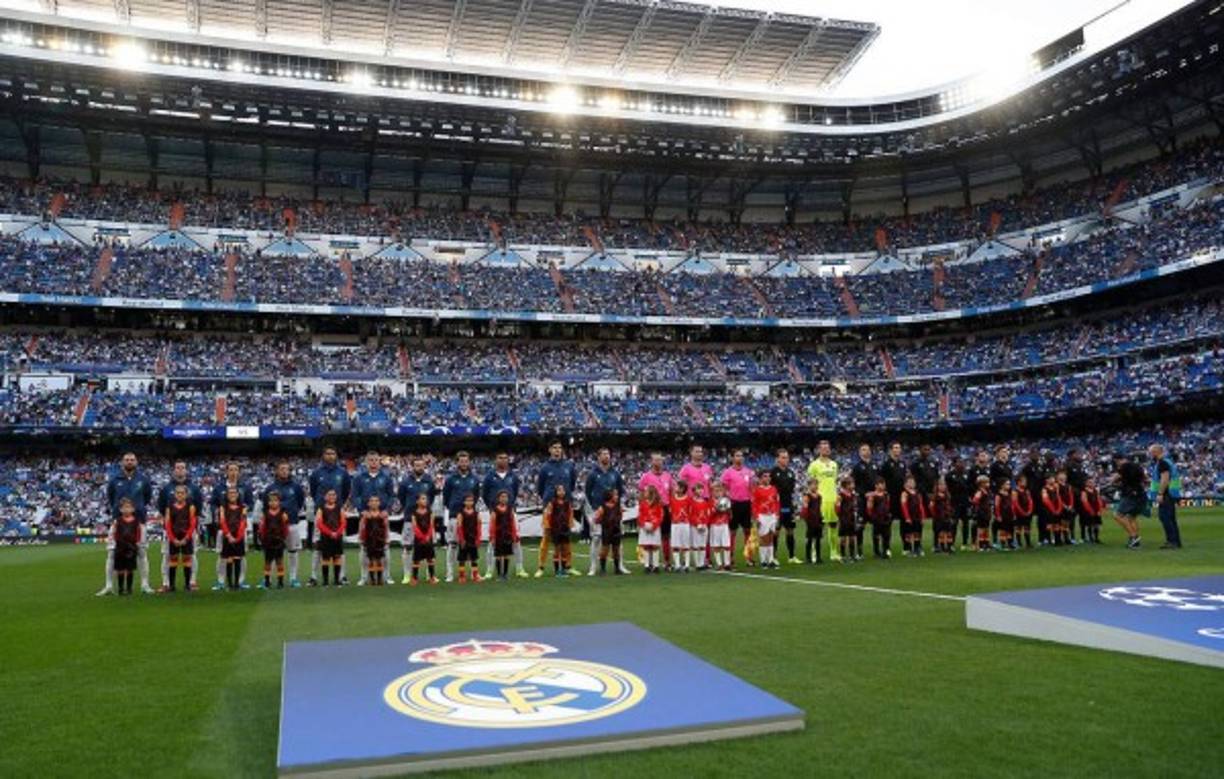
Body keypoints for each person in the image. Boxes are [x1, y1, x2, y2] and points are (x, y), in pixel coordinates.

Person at [98, 452, 154, 596]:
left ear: (136, 462)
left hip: (139, 522)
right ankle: (109, 586)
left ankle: (145, 584)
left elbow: (147, 497)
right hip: (119, 522)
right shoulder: (114, 479)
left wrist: (138, 509)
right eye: (127, 460)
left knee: (142, 553)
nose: (129, 462)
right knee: (112, 554)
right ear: (122, 462)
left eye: (132, 460)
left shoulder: (143, 479)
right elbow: (111, 498)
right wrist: (119, 511)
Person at [156, 461, 204, 592]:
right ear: (174, 470)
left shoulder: (194, 488)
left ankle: (192, 582)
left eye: (182, 468)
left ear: (186, 470)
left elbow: (198, 507)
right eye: (177, 468)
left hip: (189, 529)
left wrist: (192, 528)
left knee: (191, 555)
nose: (180, 470)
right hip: (171, 529)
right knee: (167, 556)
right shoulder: (166, 488)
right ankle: (166, 583)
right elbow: (162, 507)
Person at [308, 447, 352, 586]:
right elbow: (313, 490)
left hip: (337, 513)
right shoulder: (316, 473)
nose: (330, 455)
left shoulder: (342, 472)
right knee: (317, 546)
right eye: (327, 453)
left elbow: (346, 492)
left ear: (336, 455)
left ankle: (341, 576)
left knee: (339, 547)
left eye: (333, 453)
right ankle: (314, 577)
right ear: (323, 455)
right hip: (321, 513)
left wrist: (341, 506)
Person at [352, 451, 396, 585]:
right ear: (366, 462)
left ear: (379, 462)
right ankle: (364, 576)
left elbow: (391, 496)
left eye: (376, 460)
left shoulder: (386, 477)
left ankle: (386, 576)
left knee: (385, 546)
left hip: (381, 516)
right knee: (364, 548)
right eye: (370, 460)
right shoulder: (359, 478)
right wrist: (362, 510)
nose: (373, 463)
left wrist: (386, 510)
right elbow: (356, 496)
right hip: (366, 516)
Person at [210, 462, 254, 591]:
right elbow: (212, 503)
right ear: (226, 472)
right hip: (224, 528)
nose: (233, 472)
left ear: (239, 472)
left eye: (236, 470)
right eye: (231, 470)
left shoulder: (245, 487)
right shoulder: (219, 488)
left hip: (239, 527)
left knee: (241, 555)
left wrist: (246, 509)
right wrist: (217, 510)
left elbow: (250, 502)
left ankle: (240, 581)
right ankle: (221, 581)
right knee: (222, 555)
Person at [482, 451, 526, 578]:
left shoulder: (513, 476)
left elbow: (515, 492)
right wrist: (492, 508)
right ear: (496, 460)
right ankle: (490, 570)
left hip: (510, 512)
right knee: (492, 542)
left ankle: (519, 568)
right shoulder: (490, 476)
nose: (503, 460)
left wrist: (510, 506)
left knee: (516, 540)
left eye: (506, 458)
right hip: (495, 513)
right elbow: (485, 494)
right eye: (500, 458)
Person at [537, 441, 577, 577]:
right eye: (554, 448)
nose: (557, 450)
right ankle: (541, 567)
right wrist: (549, 500)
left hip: (565, 506)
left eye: (560, 447)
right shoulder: (544, 467)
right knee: (547, 535)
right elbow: (540, 488)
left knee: (566, 538)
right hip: (550, 506)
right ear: (549, 450)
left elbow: (572, 484)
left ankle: (568, 565)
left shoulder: (569, 466)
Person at [263, 461, 306, 587]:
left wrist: (290, 513)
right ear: (276, 471)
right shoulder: (270, 488)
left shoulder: (296, 487)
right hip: (274, 528)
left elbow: (300, 502)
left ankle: (293, 578)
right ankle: (268, 579)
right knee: (272, 554)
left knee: (292, 551)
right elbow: (266, 505)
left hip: (291, 523)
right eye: (281, 469)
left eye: (286, 469)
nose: (284, 471)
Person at [584, 447, 625, 576]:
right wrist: (594, 508)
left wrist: (616, 508)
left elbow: (620, 490)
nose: (606, 456)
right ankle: (593, 567)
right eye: (603, 454)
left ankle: (620, 566)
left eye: (608, 454)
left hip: (613, 512)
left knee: (617, 539)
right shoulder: (592, 474)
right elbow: (587, 492)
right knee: (596, 539)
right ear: (599, 457)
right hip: (598, 510)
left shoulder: (615, 473)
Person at [397, 456, 436, 584]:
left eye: (421, 465)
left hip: (425, 518)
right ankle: (407, 575)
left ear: (425, 466)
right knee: (407, 547)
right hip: (410, 518)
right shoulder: (405, 481)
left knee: (427, 547)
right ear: (412, 466)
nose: (419, 467)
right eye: (417, 465)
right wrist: (409, 508)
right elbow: (401, 497)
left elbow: (431, 497)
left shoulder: (429, 481)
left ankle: (428, 575)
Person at [442, 452, 480, 582]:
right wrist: (454, 509)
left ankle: (473, 573)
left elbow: (476, 496)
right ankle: (450, 574)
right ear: (457, 462)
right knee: (452, 545)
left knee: (469, 545)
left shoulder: (474, 479)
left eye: (466, 461)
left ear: (469, 462)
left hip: (470, 517)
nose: (464, 463)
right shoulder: (451, 479)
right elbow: (446, 497)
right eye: (461, 461)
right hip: (454, 515)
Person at [806, 441, 840, 562]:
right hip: (820, 500)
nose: (825, 450)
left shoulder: (834, 464)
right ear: (819, 450)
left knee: (833, 526)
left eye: (827, 448)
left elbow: (834, 481)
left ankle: (834, 552)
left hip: (833, 499)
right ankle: (815, 553)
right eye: (823, 448)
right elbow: (810, 482)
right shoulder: (814, 465)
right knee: (817, 528)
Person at [639, 453, 674, 567]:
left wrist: (671, 507)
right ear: (652, 462)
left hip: (664, 507)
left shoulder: (668, 476)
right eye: (656, 460)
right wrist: (643, 508)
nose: (658, 462)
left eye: (660, 460)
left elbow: (671, 493)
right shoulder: (646, 477)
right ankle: (649, 562)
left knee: (666, 535)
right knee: (650, 535)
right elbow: (641, 494)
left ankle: (667, 560)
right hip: (651, 509)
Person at [162, 484, 197, 593]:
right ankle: (172, 585)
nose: (180, 495)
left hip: (186, 536)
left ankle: (187, 585)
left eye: (182, 493)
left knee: (187, 560)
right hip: (174, 537)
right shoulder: (170, 507)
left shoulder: (191, 507)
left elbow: (193, 523)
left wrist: (187, 537)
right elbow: (167, 524)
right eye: (178, 493)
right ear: (175, 495)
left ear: (186, 495)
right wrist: (172, 538)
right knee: (173, 560)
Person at [1148, 444, 1183, 549]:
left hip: (1167, 494)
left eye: (1151, 452)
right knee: (1171, 518)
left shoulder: (1162, 463)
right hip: (1172, 493)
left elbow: (1165, 479)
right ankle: (1176, 541)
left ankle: (1171, 541)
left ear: (1156, 452)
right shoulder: (1168, 461)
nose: (1150, 455)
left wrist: (1160, 493)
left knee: (1165, 517)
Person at [1112, 452, 1148, 549]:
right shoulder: (1137, 466)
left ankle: (1133, 537)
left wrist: (1115, 482)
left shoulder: (1123, 467)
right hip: (1140, 493)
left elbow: (1114, 479)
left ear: (1116, 460)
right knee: (1132, 517)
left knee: (1117, 515)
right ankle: (1135, 541)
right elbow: (1146, 479)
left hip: (1130, 494)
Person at [770, 449, 799, 564]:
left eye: (786, 457)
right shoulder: (773, 472)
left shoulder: (791, 472)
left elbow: (791, 489)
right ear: (777, 459)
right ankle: (773, 556)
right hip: (777, 505)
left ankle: (792, 556)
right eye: (782, 457)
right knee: (776, 530)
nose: (785, 460)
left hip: (788, 504)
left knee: (790, 530)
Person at [879, 442, 907, 561]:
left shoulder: (902, 464)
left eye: (899, 448)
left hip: (901, 497)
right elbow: (881, 481)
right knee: (887, 524)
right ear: (891, 450)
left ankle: (906, 547)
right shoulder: (886, 465)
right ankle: (886, 548)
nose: (897, 450)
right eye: (895, 448)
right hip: (890, 497)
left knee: (904, 522)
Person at [849, 444, 877, 562]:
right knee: (861, 525)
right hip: (862, 499)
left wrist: (876, 492)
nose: (866, 452)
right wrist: (863, 494)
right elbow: (853, 484)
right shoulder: (857, 467)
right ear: (859, 452)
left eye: (868, 449)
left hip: (875, 498)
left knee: (877, 524)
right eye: (863, 450)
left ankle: (877, 550)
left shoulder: (874, 465)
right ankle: (859, 551)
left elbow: (878, 482)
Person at [111, 498, 143, 596]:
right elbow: (115, 534)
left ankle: (129, 588)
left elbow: (138, 533)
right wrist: (119, 543)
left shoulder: (136, 521)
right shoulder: (118, 521)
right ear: (120, 509)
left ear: (133, 509)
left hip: (132, 547)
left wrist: (136, 543)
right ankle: (121, 588)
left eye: (128, 507)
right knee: (120, 569)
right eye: (124, 507)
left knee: (130, 568)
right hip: (120, 547)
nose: (126, 509)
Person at [218, 487, 247, 591]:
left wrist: (238, 536)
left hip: (238, 536)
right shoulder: (223, 508)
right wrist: (228, 535)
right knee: (229, 560)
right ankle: (229, 583)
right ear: (226, 495)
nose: (232, 495)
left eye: (234, 493)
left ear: (238, 495)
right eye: (230, 493)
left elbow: (243, 522)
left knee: (238, 559)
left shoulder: (243, 507)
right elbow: (222, 521)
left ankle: (237, 583)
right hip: (228, 536)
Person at [314, 488, 346, 586]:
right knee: (325, 558)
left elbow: (343, 522)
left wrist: (337, 532)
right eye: (329, 495)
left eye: (333, 495)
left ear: (336, 497)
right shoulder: (321, 509)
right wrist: (329, 533)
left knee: (337, 557)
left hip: (337, 536)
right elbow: (319, 524)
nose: (331, 497)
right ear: (325, 497)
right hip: (325, 537)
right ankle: (325, 581)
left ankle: (337, 580)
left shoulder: (339, 508)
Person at [260, 491, 290, 589]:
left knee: (279, 562)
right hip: (268, 541)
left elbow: (286, 528)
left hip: (279, 540)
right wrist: (262, 538)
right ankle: (267, 580)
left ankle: (280, 581)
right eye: (271, 501)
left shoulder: (283, 514)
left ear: (279, 502)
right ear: (268, 503)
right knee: (267, 562)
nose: (273, 503)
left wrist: (283, 537)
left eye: (275, 501)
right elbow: (262, 528)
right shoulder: (265, 514)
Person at [544, 485, 576, 577]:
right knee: (557, 550)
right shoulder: (552, 503)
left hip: (565, 529)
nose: (561, 492)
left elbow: (570, 515)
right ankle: (557, 571)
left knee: (565, 549)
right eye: (559, 490)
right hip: (556, 529)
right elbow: (548, 516)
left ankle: (564, 569)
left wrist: (570, 526)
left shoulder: (567, 503)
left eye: (563, 490)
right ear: (556, 492)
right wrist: (548, 527)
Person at [752, 469, 780, 569]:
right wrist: (756, 517)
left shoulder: (773, 488)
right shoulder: (757, 490)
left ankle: (771, 560)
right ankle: (763, 561)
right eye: (765, 476)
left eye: (768, 476)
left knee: (771, 538)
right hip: (762, 516)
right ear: (760, 478)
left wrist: (777, 515)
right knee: (764, 539)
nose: (767, 478)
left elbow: (776, 502)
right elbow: (754, 504)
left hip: (772, 515)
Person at [593, 488, 626, 575]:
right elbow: (596, 519)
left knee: (616, 550)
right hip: (607, 531)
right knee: (605, 550)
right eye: (615, 495)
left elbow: (620, 516)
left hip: (616, 530)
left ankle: (617, 568)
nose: (617, 496)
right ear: (609, 496)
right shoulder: (602, 507)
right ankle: (603, 569)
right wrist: (601, 520)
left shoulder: (618, 506)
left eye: (617, 495)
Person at [945, 455, 973, 551]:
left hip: (965, 501)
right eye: (959, 462)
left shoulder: (967, 474)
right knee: (954, 523)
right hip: (954, 501)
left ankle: (965, 543)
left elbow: (970, 487)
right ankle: (951, 542)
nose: (962, 464)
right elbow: (947, 489)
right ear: (954, 464)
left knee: (965, 523)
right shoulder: (949, 475)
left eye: (963, 462)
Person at [359, 495, 389, 586]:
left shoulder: (383, 515)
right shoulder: (365, 515)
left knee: (380, 560)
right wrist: (361, 538)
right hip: (369, 539)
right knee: (371, 560)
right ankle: (371, 579)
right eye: (372, 501)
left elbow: (386, 527)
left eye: (376, 501)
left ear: (379, 503)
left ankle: (380, 579)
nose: (374, 503)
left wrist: (387, 538)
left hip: (380, 539)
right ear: (368, 503)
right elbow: (362, 527)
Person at [489, 490, 518, 581]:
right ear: (498, 498)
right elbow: (492, 524)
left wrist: (514, 535)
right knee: (498, 555)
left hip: (507, 535)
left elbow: (512, 523)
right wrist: (492, 537)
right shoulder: (495, 510)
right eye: (502, 497)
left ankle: (505, 574)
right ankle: (499, 574)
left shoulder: (510, 509)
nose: (504, 498)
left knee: (506, 555)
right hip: (498, 535)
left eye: (506, 497)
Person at [409, 493, 438, 584]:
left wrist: (428, 536)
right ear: (417, 501)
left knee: (430, 558)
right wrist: (421, 537)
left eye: (425, 499)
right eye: (422, 499)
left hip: (428, 538)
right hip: (418, 539)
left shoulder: (430, 512)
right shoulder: (414, 513)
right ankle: (414, 578)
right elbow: (415, 526)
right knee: (416, 559)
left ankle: (432, 577)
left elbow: (431, 525)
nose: (425, 501)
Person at [455, 493, 482, 583]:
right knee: (462, 559)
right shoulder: (461, 514)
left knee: (474, 558)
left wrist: (478, 539)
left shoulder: (476, 514)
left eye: (471, 501)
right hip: (464, 539)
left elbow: (479, 527)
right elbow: (459, 527)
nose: (469, 502)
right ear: (464, 502)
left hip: (473, 538)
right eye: (467, 501)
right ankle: (462, 576)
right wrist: (461, 539)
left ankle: (475, 575)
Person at [638, 484, 664, 574]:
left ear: (651, 493)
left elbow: (660, 515)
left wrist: (655, 525)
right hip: (645, 526)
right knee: (646, 546)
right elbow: (640, 515)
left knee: (655, 546)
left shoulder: (658, 504)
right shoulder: (643, 503)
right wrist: (643, 525)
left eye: (646, 492)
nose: (644, 493)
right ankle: (647, 565)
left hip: (654, 526)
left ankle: (656, 566)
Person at [899, 475, 926, 557]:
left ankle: (917, 547)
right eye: (909, 482)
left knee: (917, 532)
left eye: (913, 482)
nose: (911, 484)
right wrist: (907, 517)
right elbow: (904, 505)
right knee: (909, 533)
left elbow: (921, 505)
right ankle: (909, 548)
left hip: (917, 515)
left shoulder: (917, 493)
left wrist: (923, 516)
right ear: (905, 484)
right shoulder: (904, 493)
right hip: (909, 516)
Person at [709, 482, 732, 571]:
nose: (718, 492)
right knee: (716, 545)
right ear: (712, 492)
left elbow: (730, 514)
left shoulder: (726, 500)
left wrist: (727, 510)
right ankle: (719, 564)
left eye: (719, 491)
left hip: (724, 525)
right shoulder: (710, 501)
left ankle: (727, 564)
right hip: (715, 525)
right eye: (716, 491)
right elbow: (709, 514)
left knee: (726, 545)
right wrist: (716, 510)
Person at [865, 477, 891, 559]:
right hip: (877, 518)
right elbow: (869, 507)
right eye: (881, 484)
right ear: (876, 485)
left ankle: (886, 551)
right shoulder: (872, 496)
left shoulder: (886, 494)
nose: (883, 486)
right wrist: (871, 516)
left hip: (885, 517)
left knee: (886, 535)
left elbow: (888, 505)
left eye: (884, 484)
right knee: (876, 535)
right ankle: (876, 551)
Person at [834, 477, 859, 563]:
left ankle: (852, 555)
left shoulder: (853, 495)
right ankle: (843, 556)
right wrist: (841, 516)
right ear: (846, 485)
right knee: (843, 538)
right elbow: (837, 507)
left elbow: (855, 506)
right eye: (851, 484)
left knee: (852, 537)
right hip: (844, 518)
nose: (853, 485)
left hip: (851, 518)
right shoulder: (840, 495)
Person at [670, 481, 692, 572]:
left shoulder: (688, 499)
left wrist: (686, 519)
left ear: (682, 489)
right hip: (675, 524)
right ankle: (677, 565)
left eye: (677, 487)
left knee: (685, 545)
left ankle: (687, 565)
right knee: (675, 545)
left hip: (685, 524)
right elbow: (670, 510)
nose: (675, 488)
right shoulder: (672, 499)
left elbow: (691, 511)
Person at [689, 482, 711, 571]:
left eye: (701, 488)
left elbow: (708, 514)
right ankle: (697, 563)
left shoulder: (705, 502)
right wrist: (697, 523)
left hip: (704, 526)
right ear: (694, 490)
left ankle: (702, 563)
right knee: (695, 544)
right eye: (698, 488)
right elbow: (691, 514)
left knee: (702, 544)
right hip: (695, 526)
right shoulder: (692, 502)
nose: (700, 490)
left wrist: (705, 523)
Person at [800, 480, 824, 564]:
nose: (815, 486)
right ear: (809, 486)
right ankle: (808, 557)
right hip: (810, 519)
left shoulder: (819, 496)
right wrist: (806, 517)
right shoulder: (807, 496)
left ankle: (818, 557)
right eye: (813, 485)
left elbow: (819, 508)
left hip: (818, 518)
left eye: (816, 484)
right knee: (809, 538)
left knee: (818, 539)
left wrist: (821, 517)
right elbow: (805, 508)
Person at [1039, 474, 1063, 548]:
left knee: (1057, 524)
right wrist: (1052, 509)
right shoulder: (1044, 489)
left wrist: (1059, 507)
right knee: (1049, 525)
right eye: (1051, 479)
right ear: (1047, 480)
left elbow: (1059, 497)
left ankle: (1057, 539)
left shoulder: (1056, 488)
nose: (1053, 480)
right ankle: (1048, 539)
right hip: (1048, 509)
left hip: (1057, 508)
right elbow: (1045, 500)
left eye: (1053, 479)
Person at [1079, 477, 1106, 545]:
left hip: (1096, 510)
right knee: (1090, 525)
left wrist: (1100, 509)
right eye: (1090, 482)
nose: (1092, 483)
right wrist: (1090, 510)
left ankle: (1096, 538)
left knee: (1096, 524)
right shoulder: (1084, 491)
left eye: (1093, 482)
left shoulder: (1095, 491)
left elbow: (1099, 500)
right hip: (1089, 511)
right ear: (1086, 483)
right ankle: (1090, 538)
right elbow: (1084, 502)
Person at [930, 479, 953, 554]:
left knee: (948, 531)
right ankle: (940, 546)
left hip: (947, 516)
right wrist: (934, 514)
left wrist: (950, 512)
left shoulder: (947, 495)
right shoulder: (935, 496)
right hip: (938, 516)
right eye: (940, 485)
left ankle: (949, 546)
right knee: (940, 532)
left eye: (943, 485)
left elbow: (949, 505)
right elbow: (931, 506)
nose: (942, 487)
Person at [1012, 474, 1035, 549]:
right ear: (1018, 482)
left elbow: (1030, 500)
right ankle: (1019, 542)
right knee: (1018, 527)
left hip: (1027, 511)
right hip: (1019, 512)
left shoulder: (1027, 491)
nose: (1025, 483)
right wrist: (1021, 511)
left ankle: (1028, 542)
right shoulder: (1015, 491)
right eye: (1023, 481)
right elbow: (1015, 503)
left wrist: (1029, 510)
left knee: (1027, 527)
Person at [970, 475, 993, 552]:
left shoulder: (988, 491)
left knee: (986, 528)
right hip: (981, 512)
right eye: (986, 482)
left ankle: (986, 542)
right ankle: (981, 543)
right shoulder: (980, 492)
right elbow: (975, 500)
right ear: (981, 483)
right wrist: (978, 508)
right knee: (981, 528)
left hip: (987, 512)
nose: (988, 484)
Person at [1055, 470, 1075, 547]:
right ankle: (1058, 539)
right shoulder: (1057, 485)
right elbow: (1057, 496)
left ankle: (1066, 538)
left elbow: (1071, 496)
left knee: (1067, 523)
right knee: (1060, 523)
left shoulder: (1068, 486)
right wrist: (1063, 505)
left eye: (1064, 475)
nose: (1063, 477)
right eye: (1061, 475)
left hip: (1068, 506)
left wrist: (1070, 505)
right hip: (1061, 506)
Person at [994, 481, 1015, 552]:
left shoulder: (1009, 494)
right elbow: (997, 506)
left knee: (1010, 529)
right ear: (1002, 485)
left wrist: (1013, 513)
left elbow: (1012, 505)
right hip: (1003, 514)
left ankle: (1010, 543)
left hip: (1009, 514)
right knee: (1003, 529)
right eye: (1007, 484)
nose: (1009, 486)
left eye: (1009, 484)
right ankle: (1002, 544)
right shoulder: (998, 495)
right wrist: (998, 515)